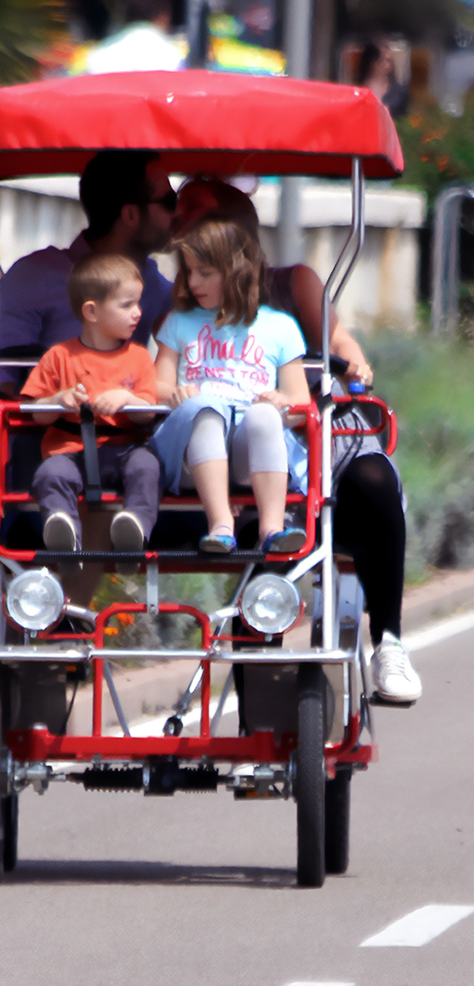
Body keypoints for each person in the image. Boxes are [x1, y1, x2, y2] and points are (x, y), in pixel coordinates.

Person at [0, 151, 175, 819]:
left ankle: (48, 641)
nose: (176, 213)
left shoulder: (160, 293)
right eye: (167, 201)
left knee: (107, 503)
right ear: (131, 213)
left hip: (90, 458)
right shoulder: (34, 277)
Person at [173, 176, 421, 703]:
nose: (195, 270)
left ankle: (390, 642)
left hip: (309, 418)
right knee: (255, 516)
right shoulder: (181, 307)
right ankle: (259, 706)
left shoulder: (292, 285)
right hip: (237, 436)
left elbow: (336, 339)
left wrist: (354, 362)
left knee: (373, 477)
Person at [150, 215, 311, 554]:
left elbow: (300, 403)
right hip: (190, 453)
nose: (193, 282)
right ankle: (221, 524)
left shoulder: (280, 326)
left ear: (237, 271)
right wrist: (175, 393)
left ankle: (272, 528)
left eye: (205, 273)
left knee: (264, 415)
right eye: (189, 271)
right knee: (206, 407)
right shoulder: (179, 322)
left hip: (247, 453)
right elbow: (154, 387)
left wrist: (281, 402)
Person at [23, 254, 161, 556]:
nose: (138, 313)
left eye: (138, 303)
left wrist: (127, 399)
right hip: (70, 451)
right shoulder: (59, 356)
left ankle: (135, 528)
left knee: (147, 466)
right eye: (127, 305)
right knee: (50, 473)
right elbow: (36, 412)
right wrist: (58, 400)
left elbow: (149, 411)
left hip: (124, 449)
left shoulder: (139, 358)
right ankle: (63, 531)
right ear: (92, 311)